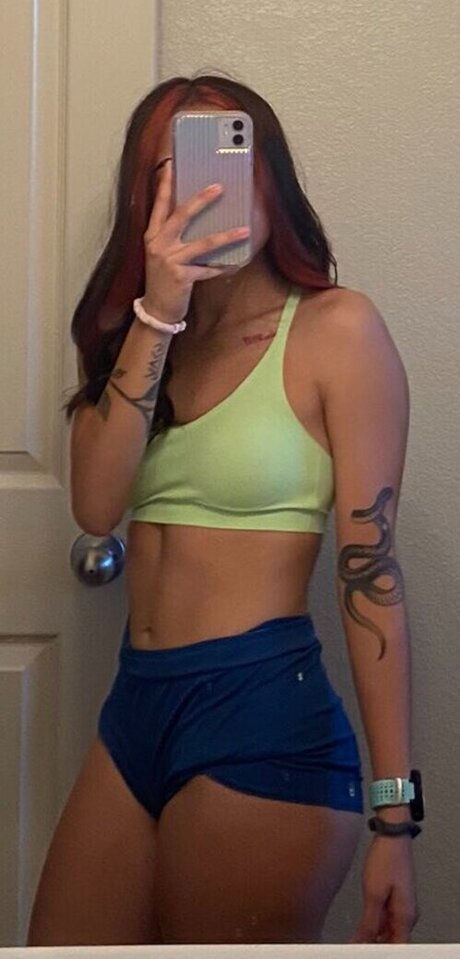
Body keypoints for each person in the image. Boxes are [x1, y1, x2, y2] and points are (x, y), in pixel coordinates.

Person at [27, 73, 420, 947]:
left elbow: (372, 577)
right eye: (179, 174)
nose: (211, 193)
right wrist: (158, 312)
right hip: (135, 711)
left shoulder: (336, 331)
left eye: (231, 165)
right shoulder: (142, 338)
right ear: (147, 202)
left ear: (270, 179)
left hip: (261, 716)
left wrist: (396, 817)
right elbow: (96, 506)